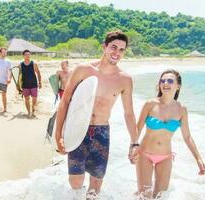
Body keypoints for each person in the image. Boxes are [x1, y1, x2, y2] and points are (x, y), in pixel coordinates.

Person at [55, 31, 139, 199]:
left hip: (102, 133)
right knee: (75, 182)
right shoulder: (83, 70)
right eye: (113, 47)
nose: (117, 52)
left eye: (121, 50)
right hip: (78, 128)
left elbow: (129, 113)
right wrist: (59, 134)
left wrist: (135, 142)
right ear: (104, 47)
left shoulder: (125, 79)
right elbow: (65, 102)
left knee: (96, 184)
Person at [135, 69, 205, 198]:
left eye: (170, 80)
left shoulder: (181, 109)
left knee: (160, 196)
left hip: (165, 157)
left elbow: (187, 137)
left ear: (178, 86)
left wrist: (199, 159)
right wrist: (133, 147)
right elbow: (137, 129)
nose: (165, 83)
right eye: (162, 80)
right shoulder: (150, 104)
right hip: (144, 154)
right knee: (144, 196)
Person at [19, 50, 42, 117]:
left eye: (29, 54)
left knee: (34, 98)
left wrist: (40, 82)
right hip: (25, 85)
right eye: (26, 54)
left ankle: (33, 108)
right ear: (24, 56)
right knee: (26, 99)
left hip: (34, 84)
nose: (28, 56)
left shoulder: (34, 64)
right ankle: (29, 112)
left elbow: (38, 73)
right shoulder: (21, 65)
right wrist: (18, 86)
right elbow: (17, 75)